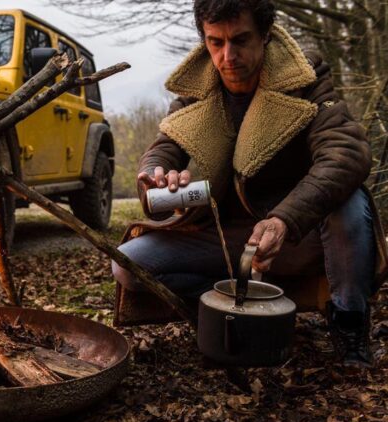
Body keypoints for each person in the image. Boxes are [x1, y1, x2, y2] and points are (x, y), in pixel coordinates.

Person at [112, 0, 387, 368]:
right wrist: (156, 178)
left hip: (297, 235)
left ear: (265, 35)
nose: (228, 55)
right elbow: (163, 148)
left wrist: (284, 219)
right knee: (128, 264)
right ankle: (235, 306)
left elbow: (346, 153)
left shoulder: (305, 76)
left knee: (350, 204)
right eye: (216, 42)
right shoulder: (195, 89)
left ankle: (349, 323)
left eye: (241, 40)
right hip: (225, 236)